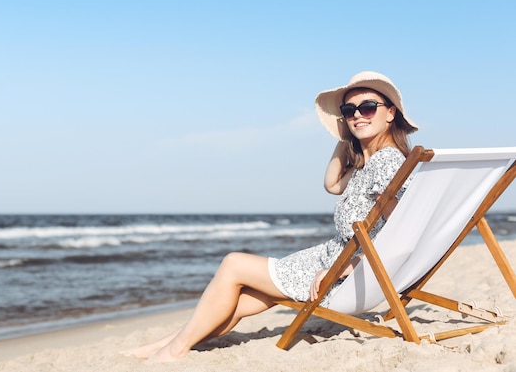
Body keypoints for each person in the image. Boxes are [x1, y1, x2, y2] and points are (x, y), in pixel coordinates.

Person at [122, 71, 419, 363]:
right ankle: (166, 344)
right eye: (348, 110)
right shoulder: (367, 165)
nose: (358, 115)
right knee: (237, 298)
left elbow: (399, 235)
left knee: (233, 263)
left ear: (390, 113)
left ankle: (174, 351)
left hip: (348, 272)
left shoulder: (386, 162)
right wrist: (347, 136)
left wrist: (340, 269)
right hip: (333, 260)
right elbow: (331, 184)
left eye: (367, 107)